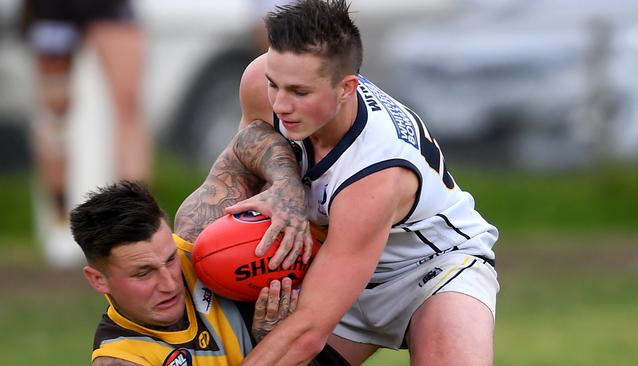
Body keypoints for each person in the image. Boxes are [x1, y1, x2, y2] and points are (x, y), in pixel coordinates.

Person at [216, 1, 500, 365]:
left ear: (347, 88)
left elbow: (308, 330)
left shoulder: (374, 172)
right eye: (276, 85)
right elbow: (235, 177)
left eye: (300, 92)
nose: (281, 105)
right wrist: (281, 188)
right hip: (335, 260)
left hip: (431, 269)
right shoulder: (259, 83)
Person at [70, 180, 349, 365]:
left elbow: (252, 136)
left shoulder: (196, 240)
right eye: (144, 274)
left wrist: (285, 187)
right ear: (98, 279)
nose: (170, 284)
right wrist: (273, 346)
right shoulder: (124, 359)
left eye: (169, 259)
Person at [22, 0, 152, 267]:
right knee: (55, 112)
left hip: (108, 9)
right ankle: (59, 225)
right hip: (52, 9)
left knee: (127, 107)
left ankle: (138, 221)